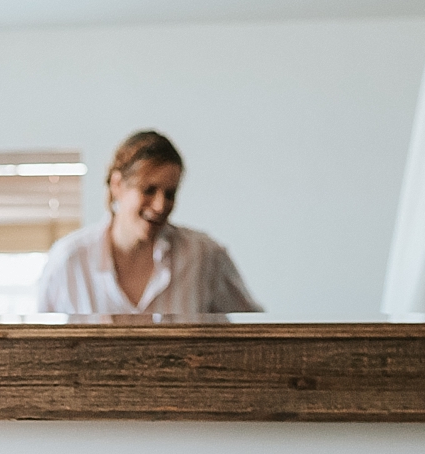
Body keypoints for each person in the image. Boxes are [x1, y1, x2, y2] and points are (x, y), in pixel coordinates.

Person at [33, 131, 258, 316]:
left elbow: (253, 332)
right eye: (148, 190)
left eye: (170, 193)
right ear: (117, 185)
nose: (161, 205)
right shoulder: (68, 259)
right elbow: (40, 347)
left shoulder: (205, 256)